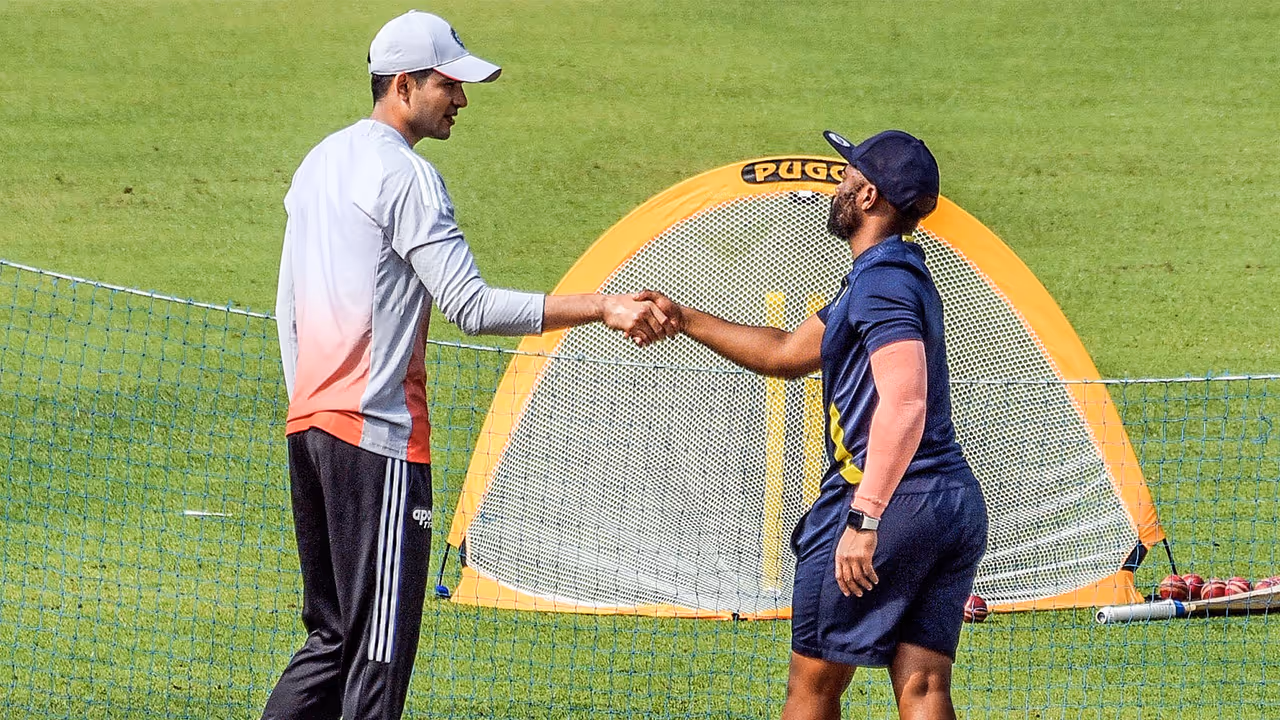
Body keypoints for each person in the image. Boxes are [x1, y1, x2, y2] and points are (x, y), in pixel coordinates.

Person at [263, 11, 676, 720]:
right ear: (402, 86)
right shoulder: (410, 179)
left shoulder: (318, 164)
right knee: (378, 652)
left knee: (331, 639)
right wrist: (602, 306)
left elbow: (285, 308)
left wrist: (310, 403)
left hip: (310, 431)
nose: (461, 100)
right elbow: (471, 306)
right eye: (448, 85)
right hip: (379, 440)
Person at [641, 130, 988, 720]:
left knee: (813, 687)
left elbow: (905, 403)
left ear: (870, 196)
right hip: (949, 501)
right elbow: (783, 351)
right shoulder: (890, 274)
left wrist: (865, 517)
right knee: (924, 686)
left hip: (888, 501)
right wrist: (685, 319)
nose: (839, 182)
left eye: (848, 173)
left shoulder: (881, 284)